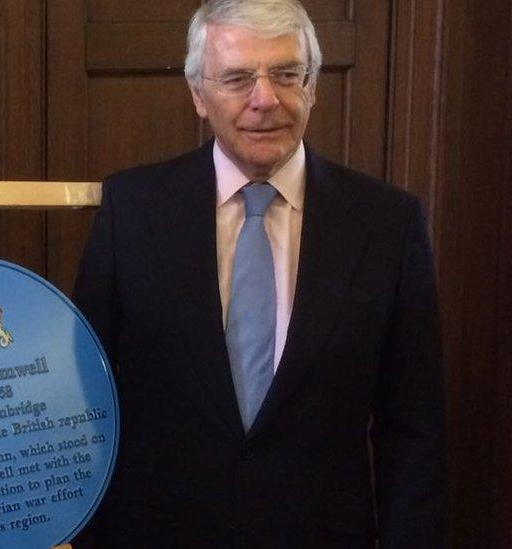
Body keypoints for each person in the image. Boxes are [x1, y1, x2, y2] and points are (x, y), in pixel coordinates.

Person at [73, 0, 445, 547]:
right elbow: (84, 398)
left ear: (313, 85)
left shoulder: (387, 224)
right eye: (238, 77)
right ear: (199, 95)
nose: (265, 99)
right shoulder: (133, 209)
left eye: (287, 74)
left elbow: (414, 429)